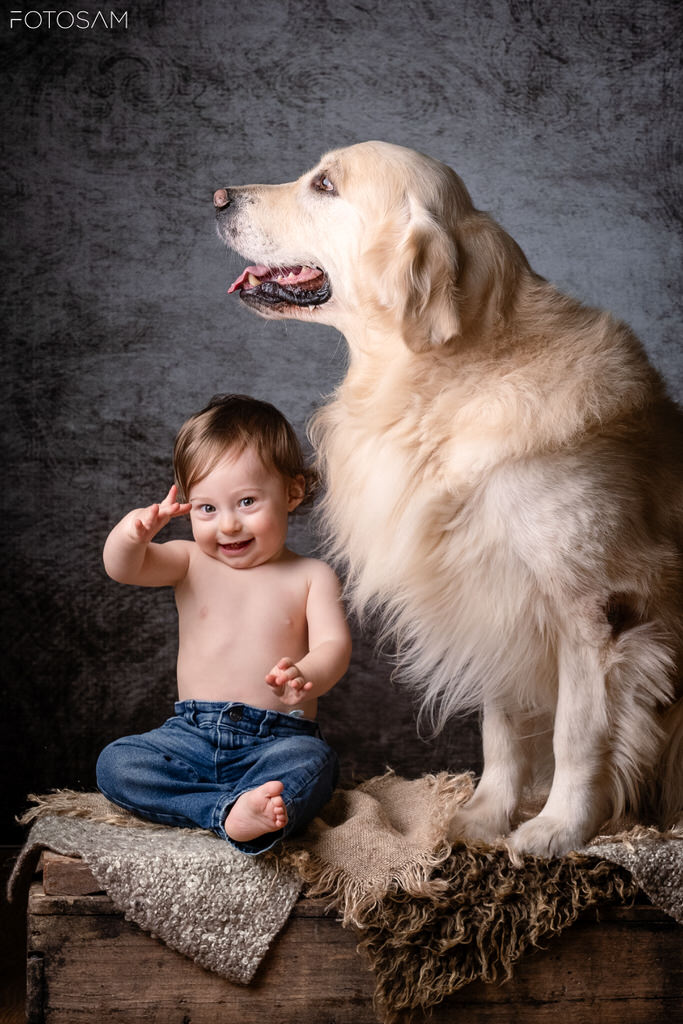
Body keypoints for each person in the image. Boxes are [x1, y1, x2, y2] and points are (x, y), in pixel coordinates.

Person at [97, 394, 351, 854]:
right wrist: (132, 533)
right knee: (118, 763)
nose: (228, 525)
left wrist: (307, 676)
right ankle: (226, 812)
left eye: (247, 501)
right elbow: (124, 568)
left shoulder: (311, 575)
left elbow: (334, 644)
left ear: (292, 493)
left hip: (277, 739)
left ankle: (241, 805)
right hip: (190, 736)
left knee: (314, 765)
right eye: (206, 509)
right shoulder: (189, 561)